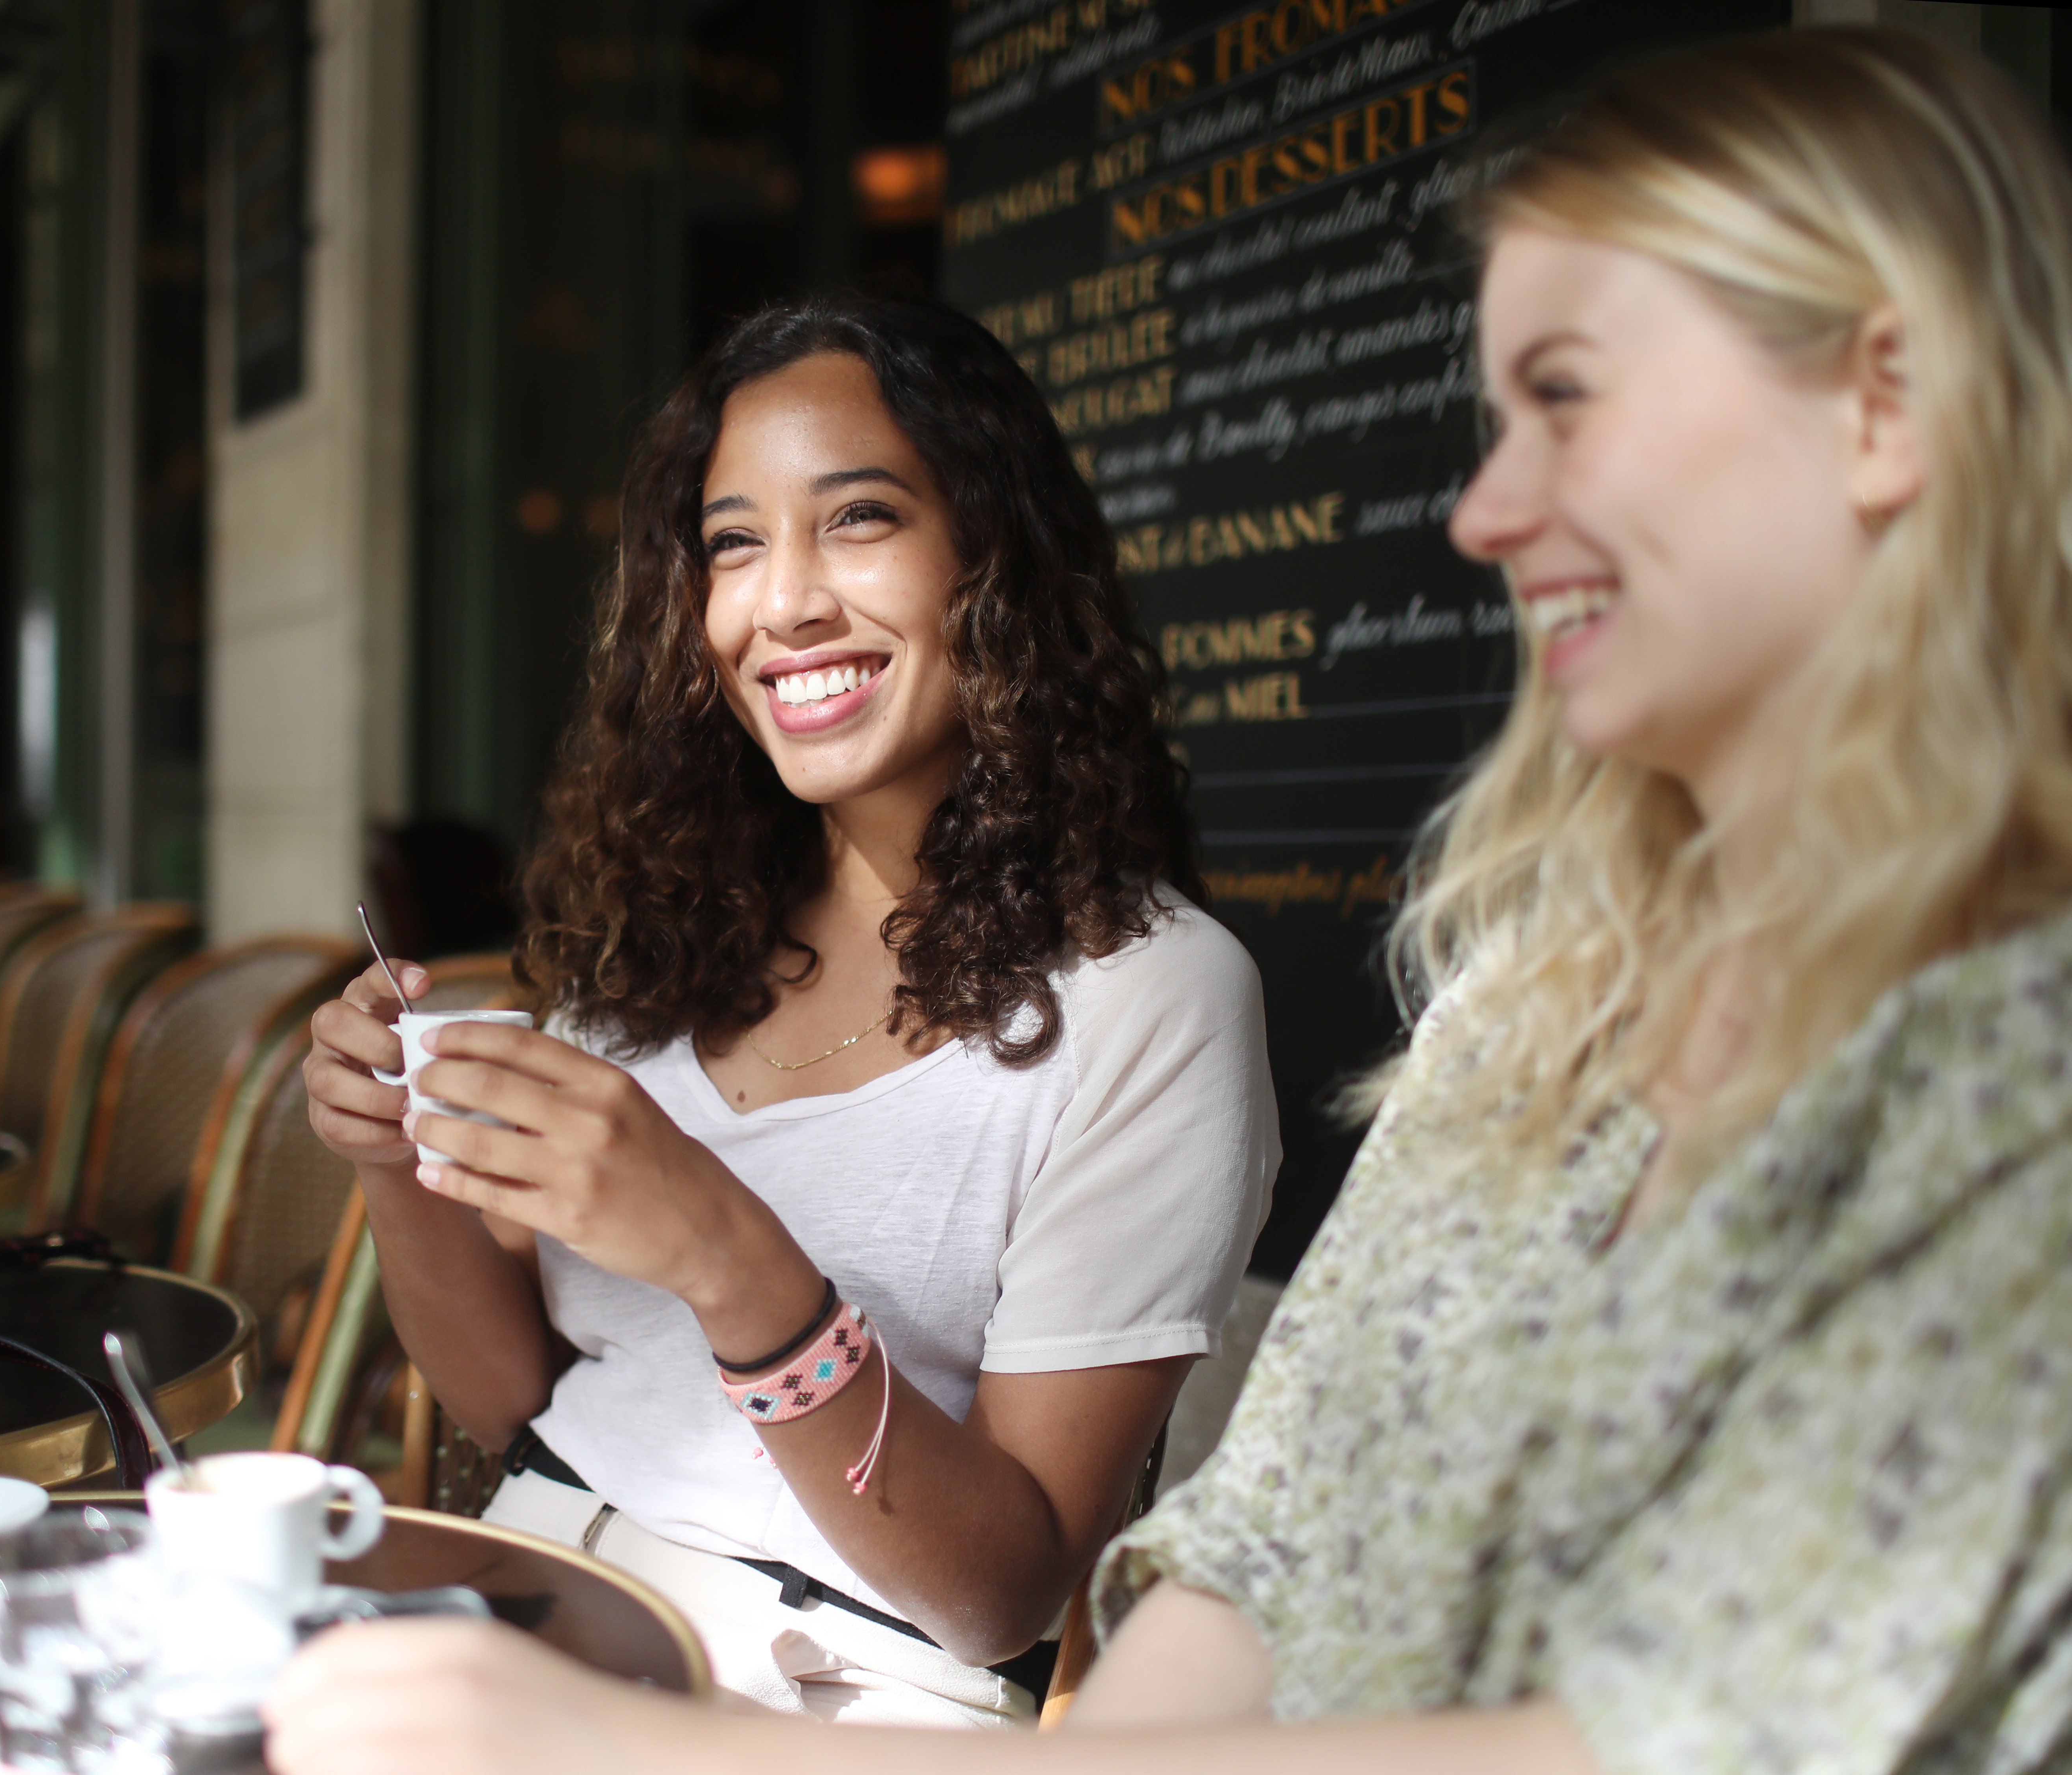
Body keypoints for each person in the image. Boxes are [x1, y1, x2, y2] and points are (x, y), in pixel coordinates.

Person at [260, 27, 2072, 1773]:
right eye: (729, 543)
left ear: (1881, 404)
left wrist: (668, 1684)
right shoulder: (1524, 1007)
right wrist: (399, 1160)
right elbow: (1243, 1577)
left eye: (1565, 400)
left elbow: (1686, 1732)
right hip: (550, 1592)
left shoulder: (2008, 1062)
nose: (1481, 512)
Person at [299, 291, 1280, 1724]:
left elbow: (999, 1589)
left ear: (990, 559)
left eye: (860, 518)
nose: (782, 602)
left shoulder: (1151, 996)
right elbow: (514, 1400)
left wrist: (727, 1259)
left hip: (835, 1698)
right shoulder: (669, 933)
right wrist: (397, 1161)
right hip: (521, 1607)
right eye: (733, 544)